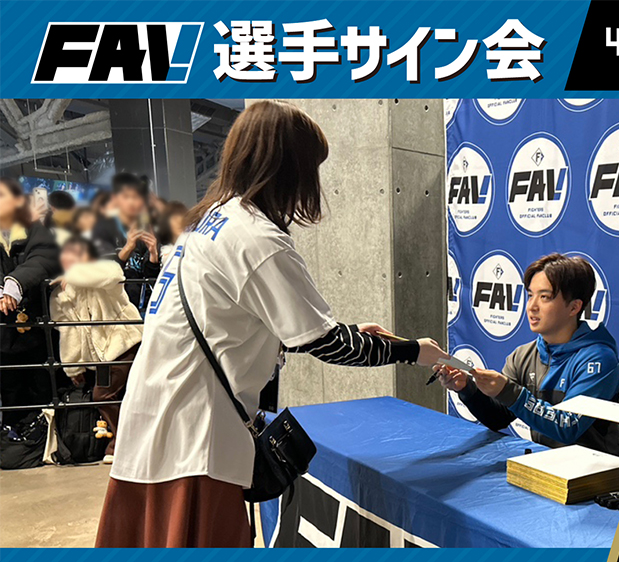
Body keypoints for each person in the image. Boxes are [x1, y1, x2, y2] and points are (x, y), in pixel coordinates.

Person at [96, 100, 449, 547]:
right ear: (289, 168)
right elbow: (327, 343)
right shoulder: (259, 238)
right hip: (196, 438)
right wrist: (414, 350)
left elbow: (257, 324)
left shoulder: (206, 223)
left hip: (153, 421)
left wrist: (348, 332)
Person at [436, 253, 619, 455]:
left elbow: (568, 427)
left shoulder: (599, 360)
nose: (532, 306)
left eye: (544, 297)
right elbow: (498, 417)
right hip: (544, 465)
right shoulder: (524, 355)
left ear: (574, 307)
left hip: (594, 470)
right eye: (530, 295)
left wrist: (509, 391)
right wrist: (466, 388)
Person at [49, 236, 142, 464]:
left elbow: (114, 273)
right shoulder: (59, 295)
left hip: (125, 342)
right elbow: (69, 332)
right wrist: (73, 367)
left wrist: (74, 276)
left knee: (103, 395)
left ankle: (122, 443)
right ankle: (125, 442)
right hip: (102, 357)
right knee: (107, 395)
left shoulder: (101, 273)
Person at [0, 178, 61, 426]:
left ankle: (44, 436)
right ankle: (12, 436)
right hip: (4, 334)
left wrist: (15, 282)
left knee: (44, 386)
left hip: (38, 328)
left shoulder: (34, 229)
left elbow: (44, 257)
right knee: (9, 390)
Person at [91, 173, 159, 311]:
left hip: (144, 310)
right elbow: (103, 275)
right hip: (114, 309)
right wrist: (127, 248)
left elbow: (153, 282)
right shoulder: (105, 229)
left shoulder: (152, 231)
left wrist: (153, 256)